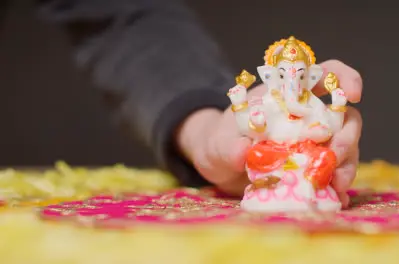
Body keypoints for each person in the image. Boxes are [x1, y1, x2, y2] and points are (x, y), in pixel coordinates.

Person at [35, 0, 362, 208]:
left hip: (304, 155)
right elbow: (254, 128)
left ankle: (309, 189)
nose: (292, 79)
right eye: (285, 72)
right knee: (257, 155)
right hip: (275, 158)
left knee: (325, 157)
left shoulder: (307, 102)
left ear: (309, 74)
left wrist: (332, 107)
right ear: (272, 74)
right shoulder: (275, 102)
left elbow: (124, 18)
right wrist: (247, 112)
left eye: (299, 73)